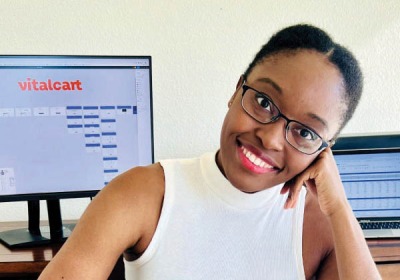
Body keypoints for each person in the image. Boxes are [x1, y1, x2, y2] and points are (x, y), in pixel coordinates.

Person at [39, 24, 381, 279]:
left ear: (323, 152)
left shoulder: (320, 224)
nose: (272, 139)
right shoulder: (144, 192)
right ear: (237, 91)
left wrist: (338, 207)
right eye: (263, 102)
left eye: (305, 132)